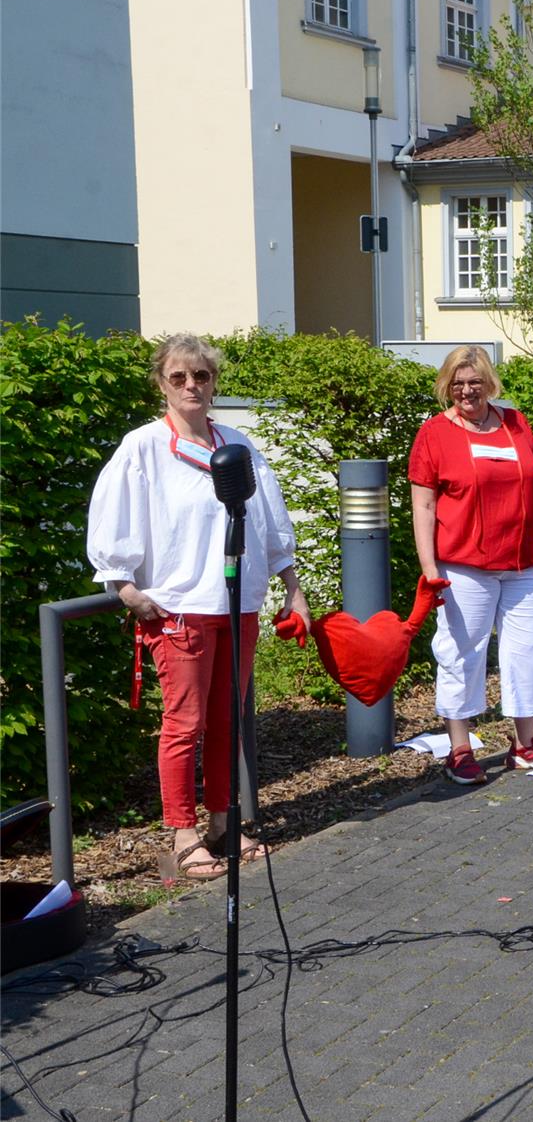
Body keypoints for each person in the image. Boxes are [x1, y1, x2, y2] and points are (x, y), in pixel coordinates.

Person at [87, 334, 312, 880]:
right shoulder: (141, 446)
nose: (192, 386)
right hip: (178, 608)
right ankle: (184, 834)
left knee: (225, 721)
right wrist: (126, 588)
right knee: (183, 724)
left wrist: (292, 584)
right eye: (179, 377)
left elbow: (268, 520)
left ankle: (222, 823)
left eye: (202, 377)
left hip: (236, 605)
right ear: (161, 383)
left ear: (214, 382)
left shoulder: (239, 443)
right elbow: (111, 520)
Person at [409, 345, 533, 785]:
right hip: (464, 567)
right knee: (461, 654)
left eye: (475, 382)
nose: (467, 390)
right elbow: (423, 507)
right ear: (447, 386)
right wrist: (429, 567)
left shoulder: (515, 423)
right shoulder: (434, 434)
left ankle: (524, 746)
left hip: (522, 563)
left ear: (489, 383)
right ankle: (460, 750)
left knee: (529, 652)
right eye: (458, 383)